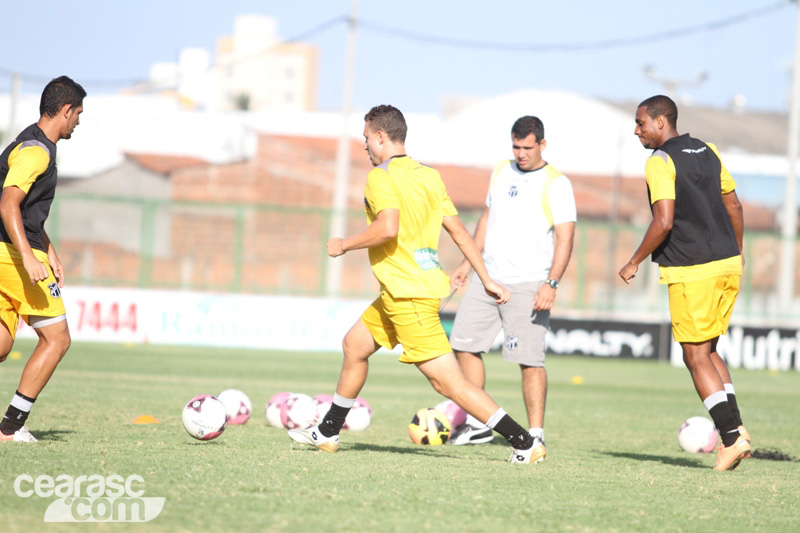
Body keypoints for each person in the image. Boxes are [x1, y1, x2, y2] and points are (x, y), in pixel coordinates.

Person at [289, 104, 540, 463]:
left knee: (449, 384)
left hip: (410, 296)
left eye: (366, 139)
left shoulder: (381, 177)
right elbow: (459, 232)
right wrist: (485, 279)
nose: (365, 147)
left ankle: (525, 442)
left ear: (380, 136)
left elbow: (387, 227)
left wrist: (343, 244)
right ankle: (327, 432)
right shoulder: (428, 176)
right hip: (399, 292)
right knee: (354, 346)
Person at [619, 95, 751, 471]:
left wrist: (633, 261)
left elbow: (663, 221)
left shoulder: (660, 161)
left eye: (641, 122)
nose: (636, 129)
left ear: (661, 122)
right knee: (709, 351)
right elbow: (735, 206)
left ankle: (730, 437)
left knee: (694, 356)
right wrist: (737, 251)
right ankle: (736, 428)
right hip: (727, 263)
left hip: (694, 268)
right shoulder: (708, 150)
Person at [447, 116, 576, 462]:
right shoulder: (501, 170)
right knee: (464, 346)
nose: (520, 153)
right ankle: (477, 423)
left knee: (528, 361)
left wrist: (551, 282)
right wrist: (467, 263)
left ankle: (535, 434)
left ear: (542, 145)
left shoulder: (557, 183)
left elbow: (566, 237)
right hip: (488, 278)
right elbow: (487, 217)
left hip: (530, 283)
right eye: (516, 146)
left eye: (527, 147)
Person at [0, 76, 85, 443]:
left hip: (13, 251)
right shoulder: (37, 151)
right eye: (78, 114)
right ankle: (10, 428)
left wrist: (49, 252)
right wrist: (29, 257)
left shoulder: (29, 141)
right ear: (65, 110)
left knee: (2, 346)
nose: (78, 122)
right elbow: (8, 205)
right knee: (57, 339)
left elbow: (28, 212)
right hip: (12, 256)